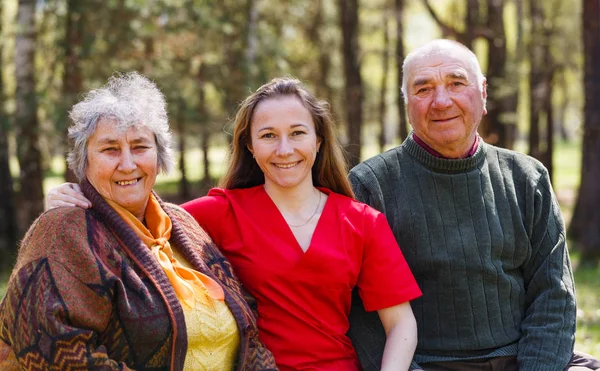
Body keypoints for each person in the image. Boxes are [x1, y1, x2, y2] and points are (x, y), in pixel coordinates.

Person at [42, 77, 423, 370]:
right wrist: (70, 202)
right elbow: (135, 219)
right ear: (250, 146)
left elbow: (401, 323)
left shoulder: (362, 222)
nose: (284, 149)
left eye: (297, 133)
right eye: (268, 136)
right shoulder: (214, 215)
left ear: (319, 141)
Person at [347, 39, 600, 371]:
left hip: (522, 358)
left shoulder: (527, 177)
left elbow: (554, 295)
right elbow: (358, 314)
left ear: (482, 93)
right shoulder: (370, 185)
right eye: (423, 89)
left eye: (456, 83)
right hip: (426, 364)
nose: (441, 101)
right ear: (407, 102)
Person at [0, 72, 277, 370]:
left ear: (159, 157)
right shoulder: (64, 230)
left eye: (140, 147)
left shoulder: (183, 225)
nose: (128, 164)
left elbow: (247, 322)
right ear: (85, 160)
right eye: (110, 149)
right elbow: (49, 350)